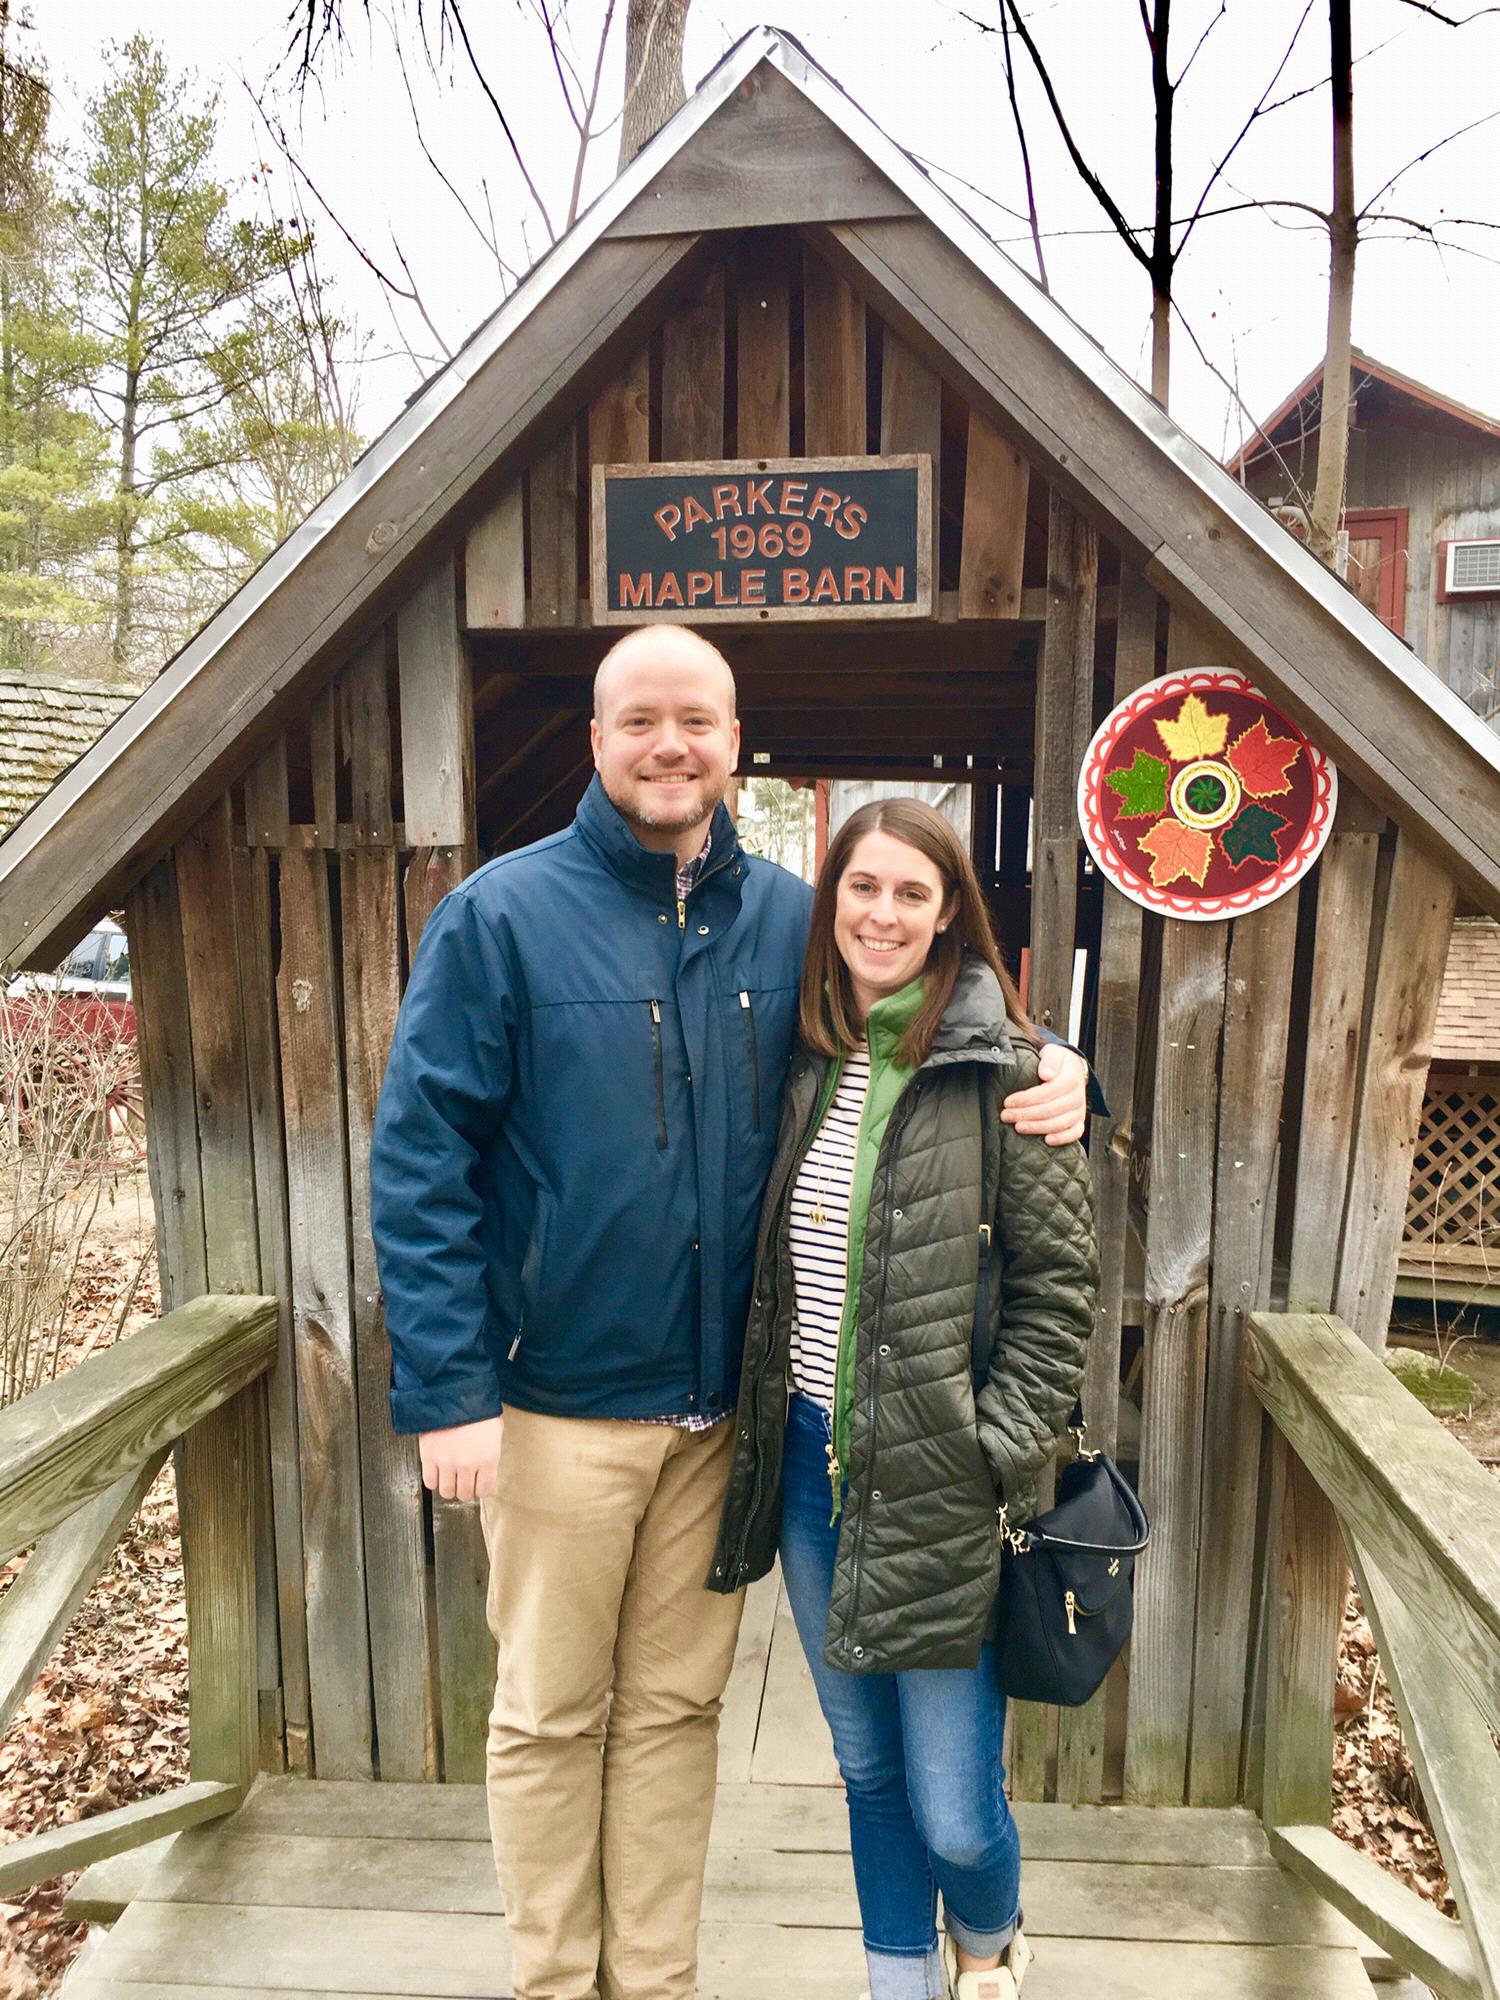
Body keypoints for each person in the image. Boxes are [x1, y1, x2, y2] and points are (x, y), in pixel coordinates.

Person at [369, 625, 1091, 2000]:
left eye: (696, 720)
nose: (670, 745)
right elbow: (420, 1163)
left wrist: (1069, 1067)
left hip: (719, 1427)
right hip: (555, 1409)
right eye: (639, 720)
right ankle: (554, 1981)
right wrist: (449, 1387)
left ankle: (655, 1980)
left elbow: (940, 1019)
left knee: (673, 1716)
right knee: (545, 1717)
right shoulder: (502, 916)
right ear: (597, 741)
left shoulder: (787, 920)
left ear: (734, 740)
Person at [709, 797, 1099, 2000]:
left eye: (910, 893)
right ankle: (899, 1985)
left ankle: (988, 1952)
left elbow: (1059, 1292)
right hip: (819, 1478)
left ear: (948, 918)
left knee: (957, 1810)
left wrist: (992, 1447)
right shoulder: (803, 1054)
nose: (882, 912)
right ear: (831, 903)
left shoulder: (1010, 1071)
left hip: (944, 1485)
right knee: (869, 1776)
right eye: (861, 887)